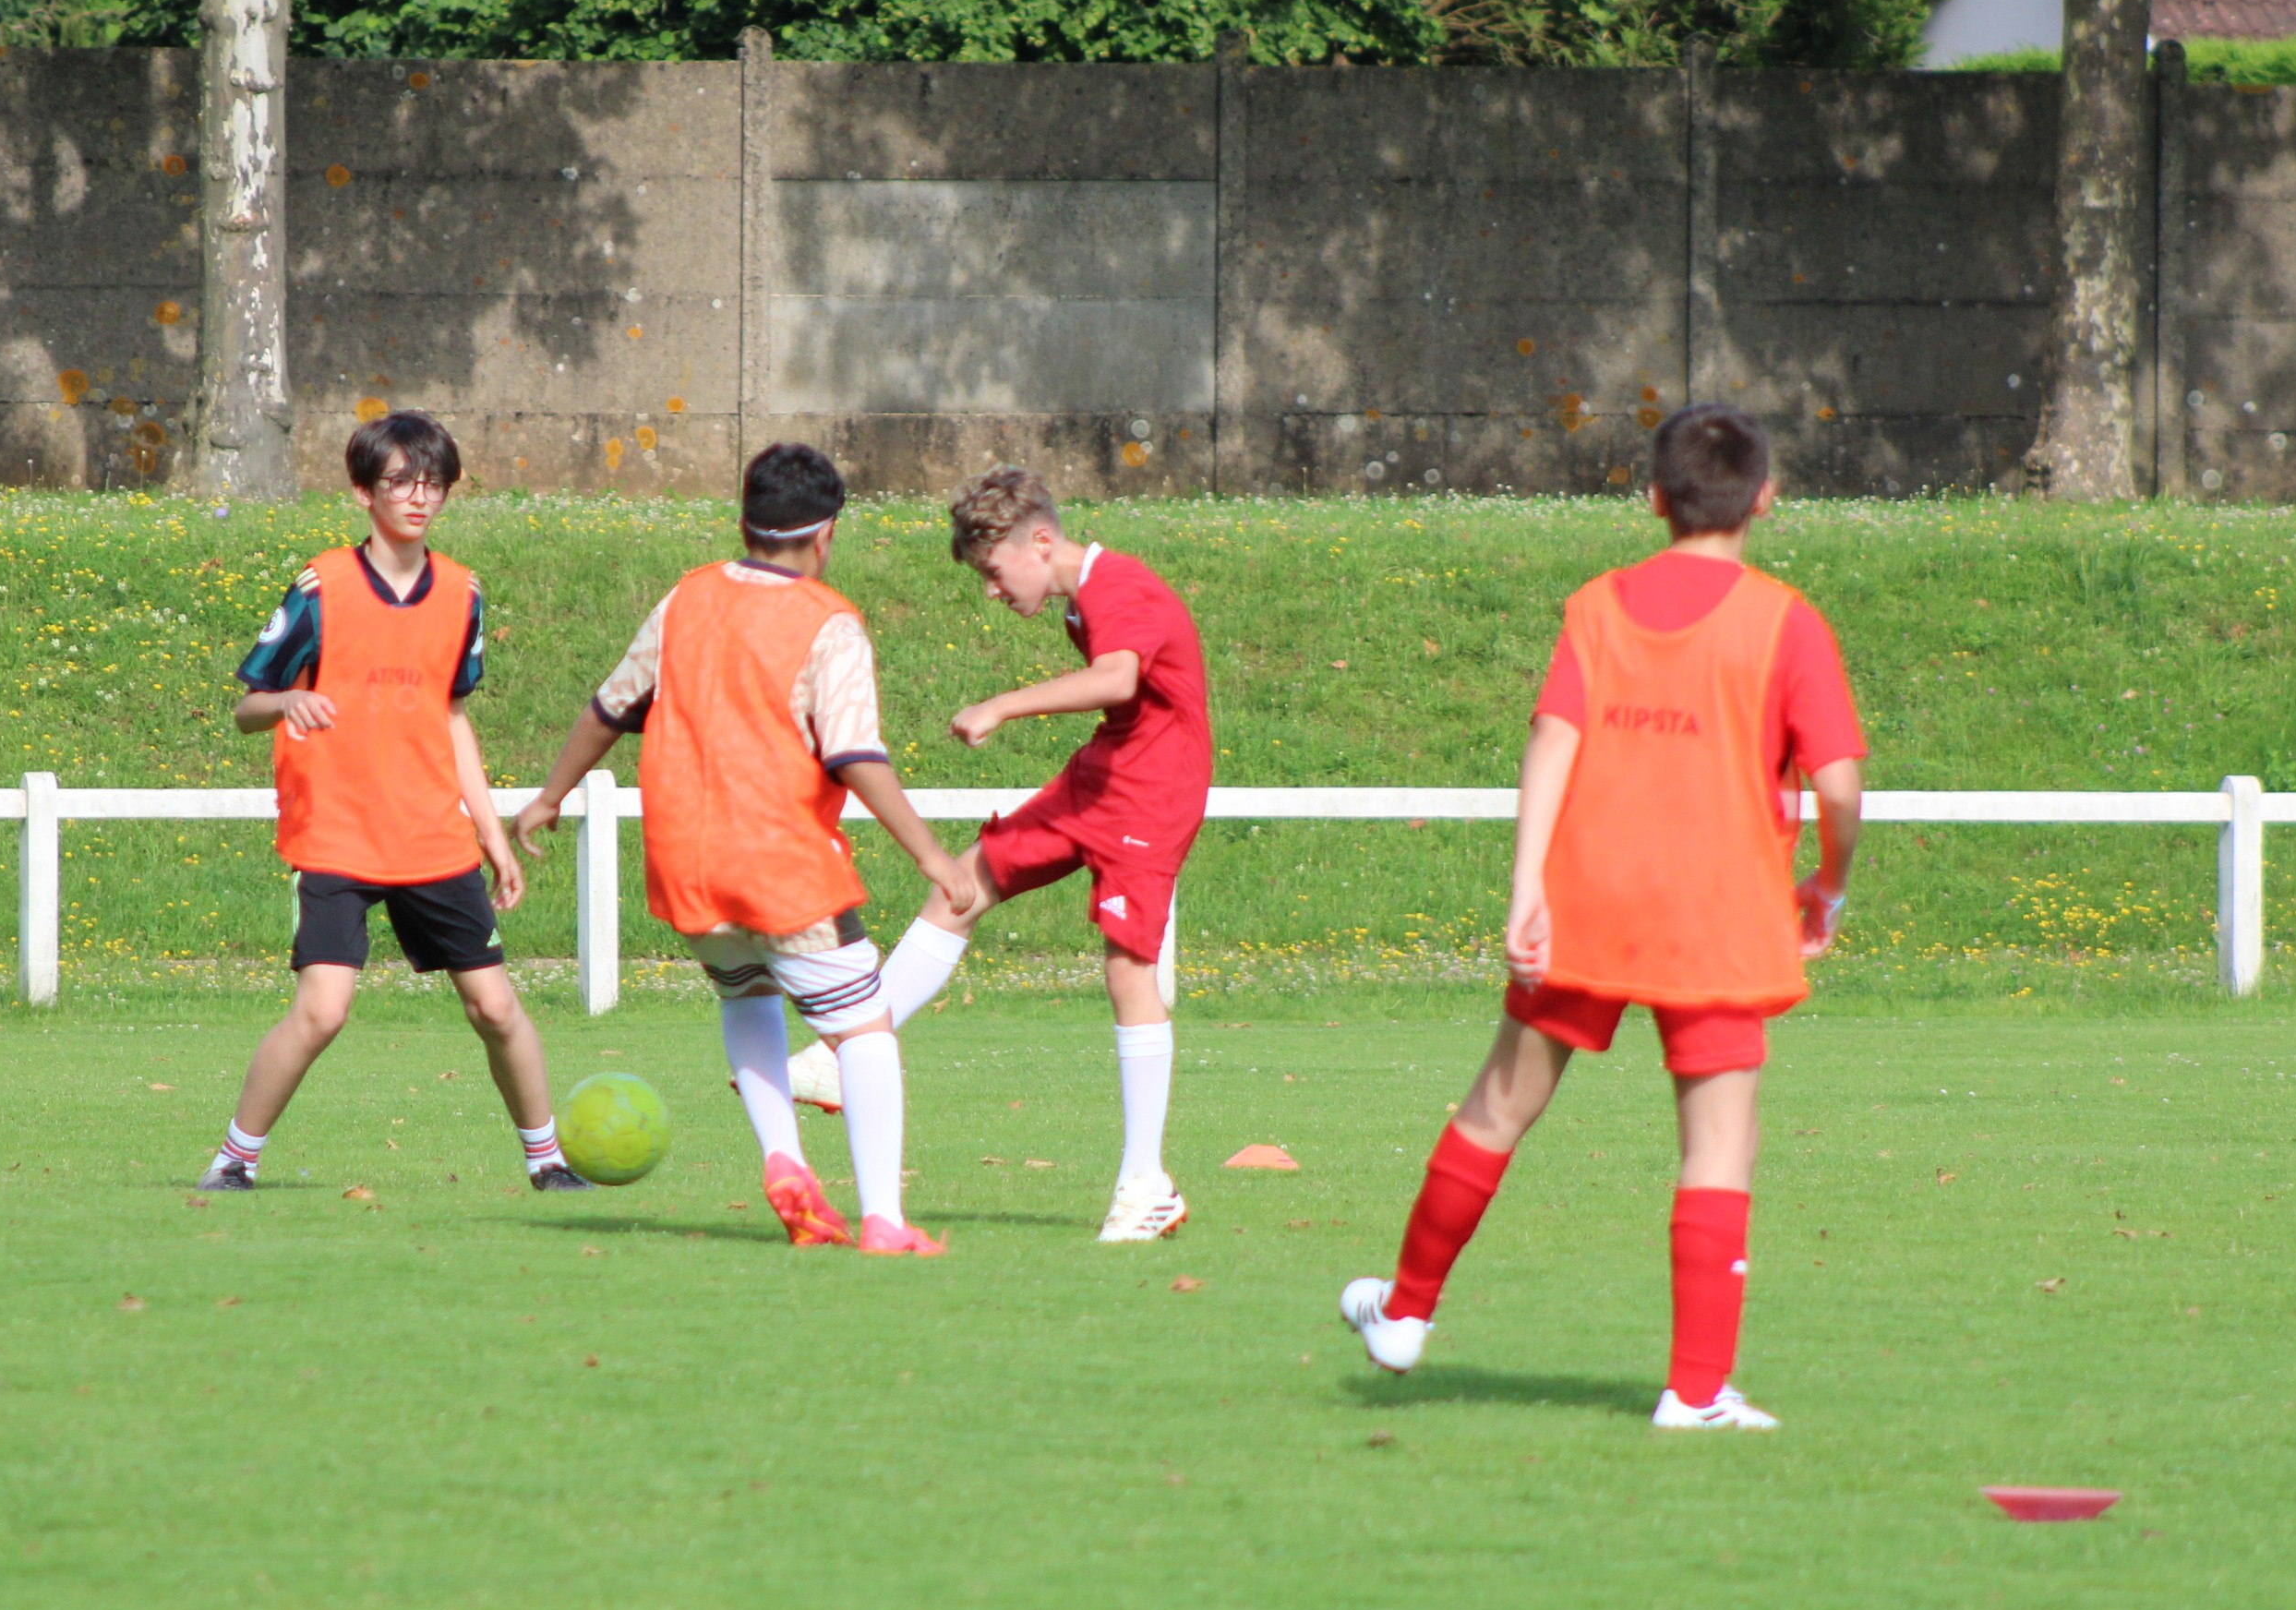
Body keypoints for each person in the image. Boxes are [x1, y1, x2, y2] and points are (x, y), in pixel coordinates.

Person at [1340, 404, 1865, 1429]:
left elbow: (1552, 737)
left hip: (1591, 900)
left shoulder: (1597, 606)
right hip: (1719, 913)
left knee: (1498, 1106)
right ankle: (1696, 1392)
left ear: (1654, 501)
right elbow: (1840, 782)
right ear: (1767, 498)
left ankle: (1404, 1314)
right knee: (1719, 1146)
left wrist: (1526, 883)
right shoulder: (1782, 620)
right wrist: (1831, 883)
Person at [513, 442, 980, 1256]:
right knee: (865, 1031)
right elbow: (855, 757)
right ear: (826, 533)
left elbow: (608, 707)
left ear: (744, 521)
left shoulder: (686, 598)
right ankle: (883, 1221)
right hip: (781, 863)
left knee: (749, 997)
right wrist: (933, 859)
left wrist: (551, 796)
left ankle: (784, 1160)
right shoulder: (829, 622)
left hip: (685, 865)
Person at [795, 467, 1213, 1243]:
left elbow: (1118, 678)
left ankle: (1146, 1182)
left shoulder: (1120, 587)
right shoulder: (1086, 598)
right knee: (962, 884)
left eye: (992, 571)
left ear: (1042, 542)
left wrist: (1003, 705)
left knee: (1128, 969)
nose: (990, 591)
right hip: (1102, 776)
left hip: (1152, 792)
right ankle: (841, 1055)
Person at [200, 413, 580, 1195]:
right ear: (363, 491)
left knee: (497, 1010)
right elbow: (246, 707)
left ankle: (548, 1162)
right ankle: (234, 1159)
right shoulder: (320, 587)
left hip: (430, 837)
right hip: (338, 833)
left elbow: (451, 718)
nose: (420, 496)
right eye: (402, 481)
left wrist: (493, 837)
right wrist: (284, 706)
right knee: (323, 1012)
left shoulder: (463, 592)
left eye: (433, 482)